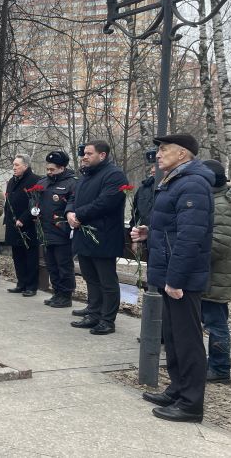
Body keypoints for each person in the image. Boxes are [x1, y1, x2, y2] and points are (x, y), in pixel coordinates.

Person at [132, 134, 213, 423]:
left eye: (164, 149)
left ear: (182, 154)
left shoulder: (192, 183)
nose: (158, 154)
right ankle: (178, 389)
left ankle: (191, 404)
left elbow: (191, 237)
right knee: (174, 337)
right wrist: (147, 233)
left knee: (188, 340)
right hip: (169, 271)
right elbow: (173, 228)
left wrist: (176, 279)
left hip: (182, 277)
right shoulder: (176, 180)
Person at [67, 140, 128, 335]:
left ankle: (107, 320)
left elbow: (106, 202)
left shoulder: (115, 175)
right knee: (91, 278)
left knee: (107, 281)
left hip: (104, 236)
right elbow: (73, 198)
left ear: (102, 155)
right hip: (84, 235)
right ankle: (93, 313)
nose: (84, 157)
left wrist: (79, 215)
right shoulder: (86, 175)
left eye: (88, 153)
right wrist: (69, 212)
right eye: (84, 153)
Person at [200, 160, 231, 384]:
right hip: (211, 275)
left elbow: (219, 243)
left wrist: (191, 255)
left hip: (216, 277)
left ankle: (220, 368)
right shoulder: (213, 199)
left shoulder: (221, 205)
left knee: (216, 323)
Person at [37, 151, 78, 308]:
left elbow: (73, 204)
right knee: (51, 265)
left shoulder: (72, 183)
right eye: (47, 169)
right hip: (46, 231)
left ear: (62, 168)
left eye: (52, 169)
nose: (49, 172)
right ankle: (57, 293)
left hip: (62, 232)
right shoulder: (44, 182)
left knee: (64, 266)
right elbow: (35, 200)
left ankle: (66, 295)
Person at [4, 154, 41, 297]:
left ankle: (31, 286)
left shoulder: (35, 180)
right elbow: (9, 201)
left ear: (25, 166)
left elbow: (36, 203)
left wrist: (24, 219)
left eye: (17, 165)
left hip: (28, 226)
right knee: (17, 256)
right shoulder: (12, 181)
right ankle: (21, 283)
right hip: (13, 225)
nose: (14, 167)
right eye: (13, 164)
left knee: (30, 257)